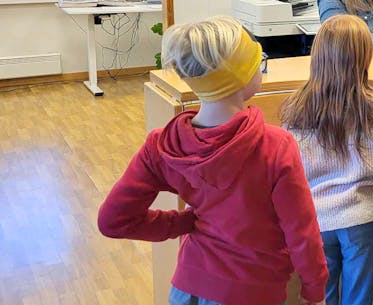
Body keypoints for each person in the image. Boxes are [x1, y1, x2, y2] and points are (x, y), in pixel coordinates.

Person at [97, 16, 327, 305]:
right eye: (259, 60)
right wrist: (315, 291)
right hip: (253, 292)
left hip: (187, 288)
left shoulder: (163, 144)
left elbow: (112, 221)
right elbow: (302, 232)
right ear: (241, 77)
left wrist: (183, 223)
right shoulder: (276, 146)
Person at [280, 15, 373, 305]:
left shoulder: (296, 107)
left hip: (315, 218)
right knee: (360, 297)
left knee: (319, 296)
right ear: (365, 55)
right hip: (364, 217)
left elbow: (289, 161)